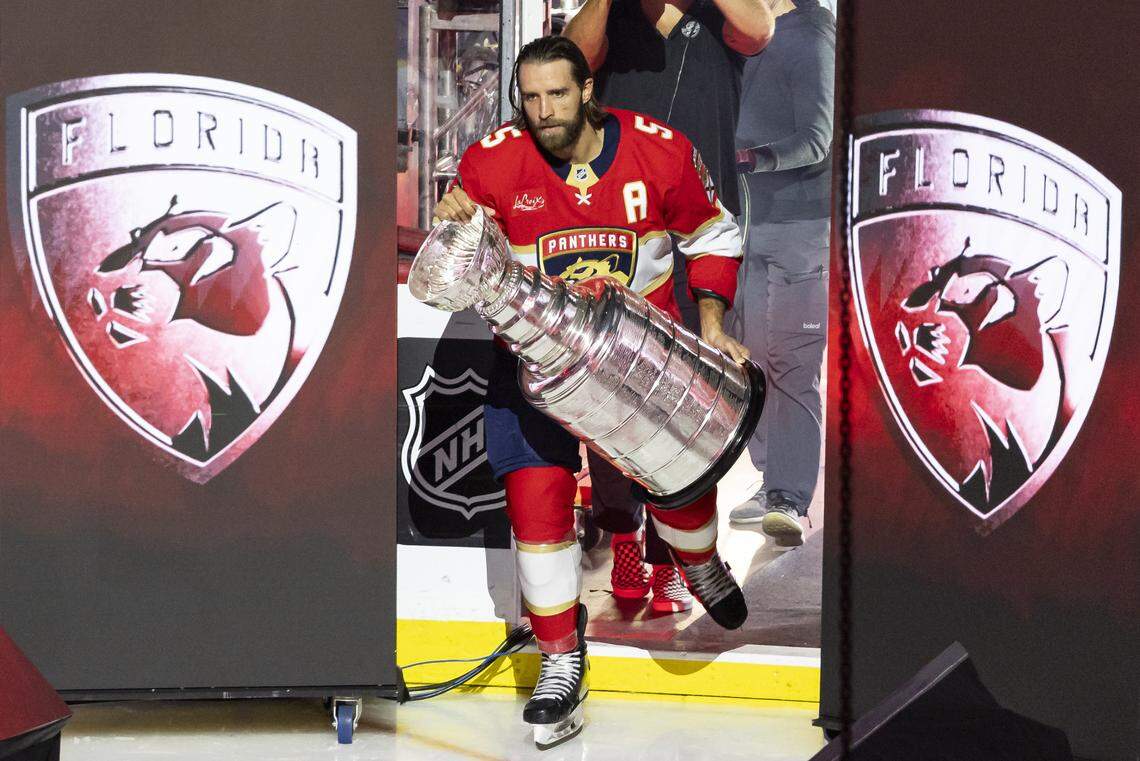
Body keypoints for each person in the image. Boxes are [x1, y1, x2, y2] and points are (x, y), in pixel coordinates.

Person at [433, 35, 750, 747]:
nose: (543, 110)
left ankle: (697, 561)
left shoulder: (660, 149)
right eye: (531, 96)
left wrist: (709, 324)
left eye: (558, 93)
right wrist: (457, 221)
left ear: (587, 92)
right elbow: (456, 256)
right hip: (534, 361)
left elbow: (714, 234)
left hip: (640, 358)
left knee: (681, 478)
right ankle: (557, 657)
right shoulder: (489, 161)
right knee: (535, 498)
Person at [563, 0, 773, 609]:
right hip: (615, 229)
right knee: (608, 391)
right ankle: (623, 532)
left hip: (701, 227)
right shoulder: (612, 16)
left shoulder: (718, 15)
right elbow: (574, 57)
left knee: (686, 400)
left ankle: (671, 556)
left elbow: (760, 28)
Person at [729, 0, 835, 546]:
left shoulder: (812, 35)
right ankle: (772, 482)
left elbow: (819, 137)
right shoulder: (750, 36)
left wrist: (750, 160)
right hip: (753, 228)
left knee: (793, 365)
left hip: (801, 230)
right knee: (752, 359)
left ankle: (791, 498)